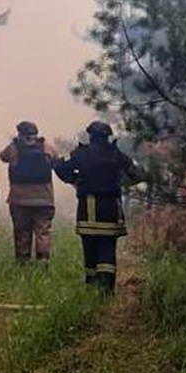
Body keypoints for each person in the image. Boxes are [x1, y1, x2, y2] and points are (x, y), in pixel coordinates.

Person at [53, 121, 143, 293]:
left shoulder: (80, 154)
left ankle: (91, 285)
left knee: (90, 247)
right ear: (107, 136)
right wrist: (120, 183)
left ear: (90, 135)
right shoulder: (116, 154)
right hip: (110, 210)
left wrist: (74, 180)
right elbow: (138, 173)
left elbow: (58, 166)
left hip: (88, 210)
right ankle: (106, 289)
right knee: (107, 248)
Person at [0, 121, 58, 263]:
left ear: (20, 133)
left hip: (19, 200)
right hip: (45, 199)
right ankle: (43, 261)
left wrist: (14, 143)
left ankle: (22, 261)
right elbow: (56, 158)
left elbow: (3, 157)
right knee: (43, 232)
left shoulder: (13, 148)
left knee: (22, 232)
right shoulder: (46, 148)